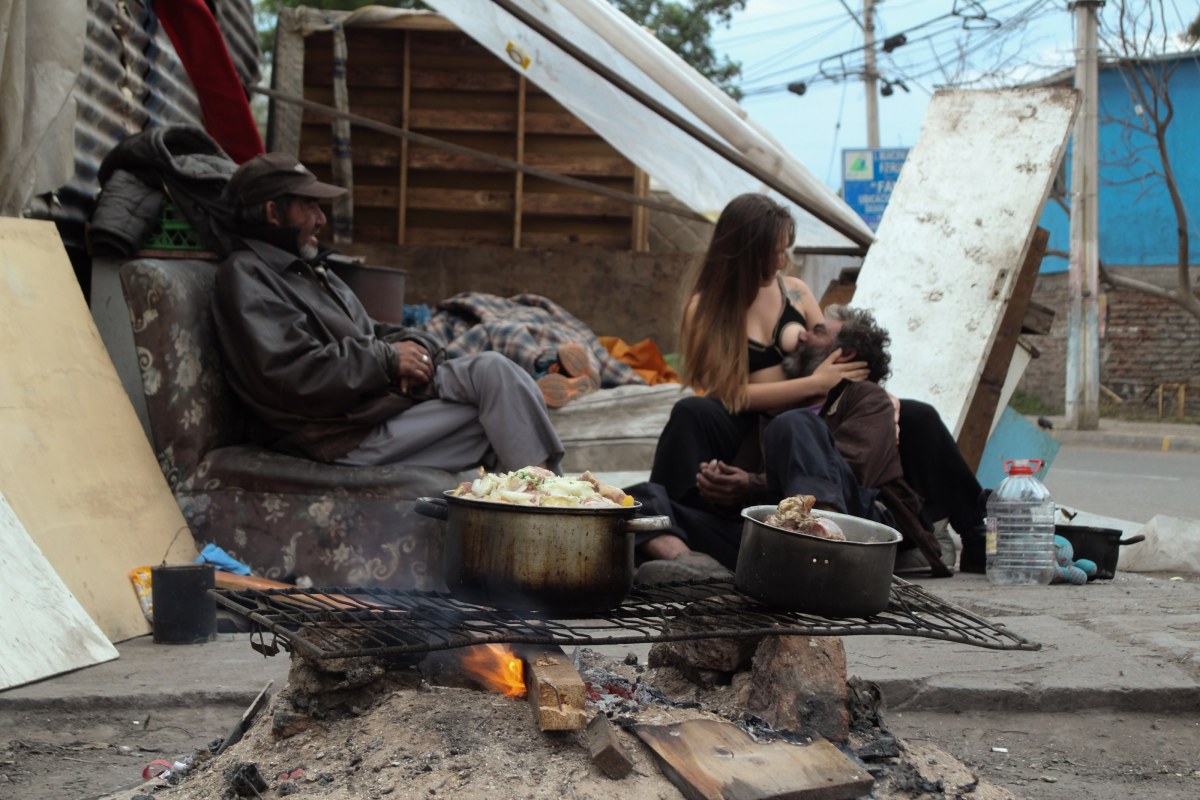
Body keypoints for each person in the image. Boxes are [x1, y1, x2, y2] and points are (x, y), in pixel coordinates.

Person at [632, 193, 985, 581]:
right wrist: (812, 384)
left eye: (785, 250)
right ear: (746, 251)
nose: (782, 261)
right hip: (745, 413)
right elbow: (729, 393)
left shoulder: (795, 291)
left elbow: (831, 344)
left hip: (810, 416)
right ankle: (669, 523)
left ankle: (974, 528)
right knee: (692, 414)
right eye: (774, 252)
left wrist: (883, 399)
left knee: (918, 416)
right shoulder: (709, 306)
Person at [211, 152, 564, 473]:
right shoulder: (246, 275)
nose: (321, 219)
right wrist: (387, 361)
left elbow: (372, 331)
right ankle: (550, 508)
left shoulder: (309, 270)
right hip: (339, 432)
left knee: (496, 373)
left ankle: (550, 501)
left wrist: (416, 346)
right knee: (502, 416)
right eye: (310, 207)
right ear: (273, 213)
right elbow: (292, 375)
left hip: (374, 403)